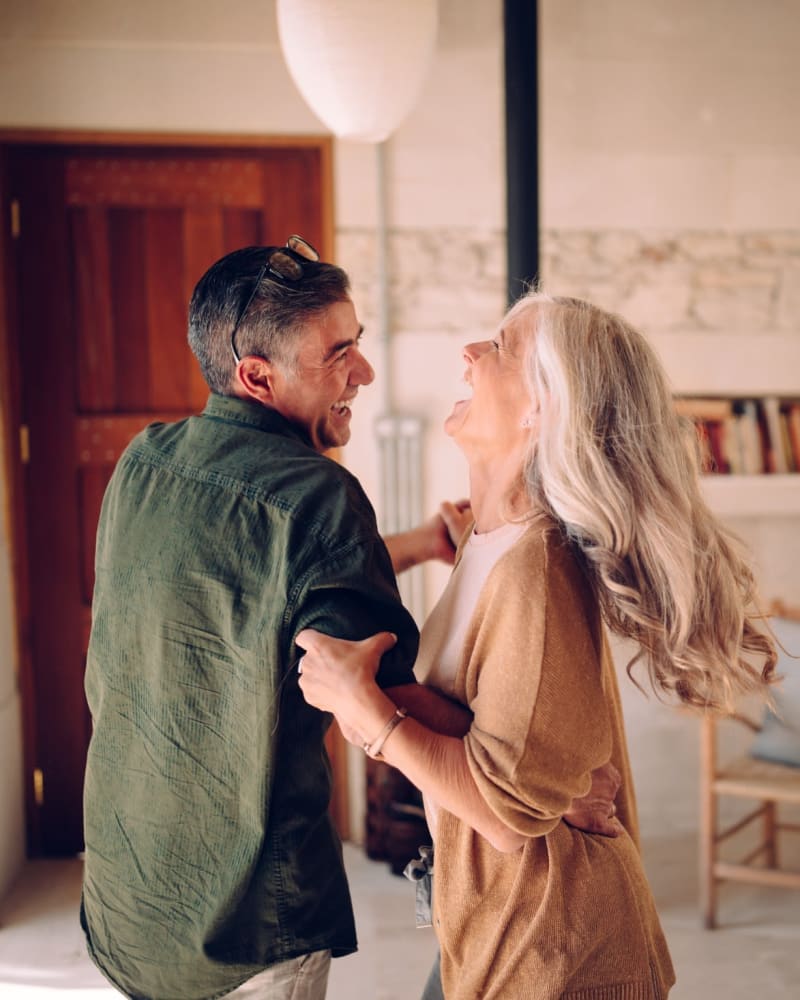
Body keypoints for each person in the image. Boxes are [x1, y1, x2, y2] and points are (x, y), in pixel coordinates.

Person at [80, 241, 617, 1000]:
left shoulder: (145, 460)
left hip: (124, 893)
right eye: (339, 355)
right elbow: (378, 686)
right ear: (257, 377)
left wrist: (410, 547)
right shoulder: (321, 498)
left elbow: (251, 579)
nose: (362, 372)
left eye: (357, 343)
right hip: (243, 920)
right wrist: (553, 781)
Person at [296, 292, 778, 1000]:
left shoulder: (535, 568)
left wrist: (369, 717)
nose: (469, 356)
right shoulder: (492, 544)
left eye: (500, 347)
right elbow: (509, 748)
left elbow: (505, 812)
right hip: (507, 928)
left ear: (543, 408)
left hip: (556, 952)